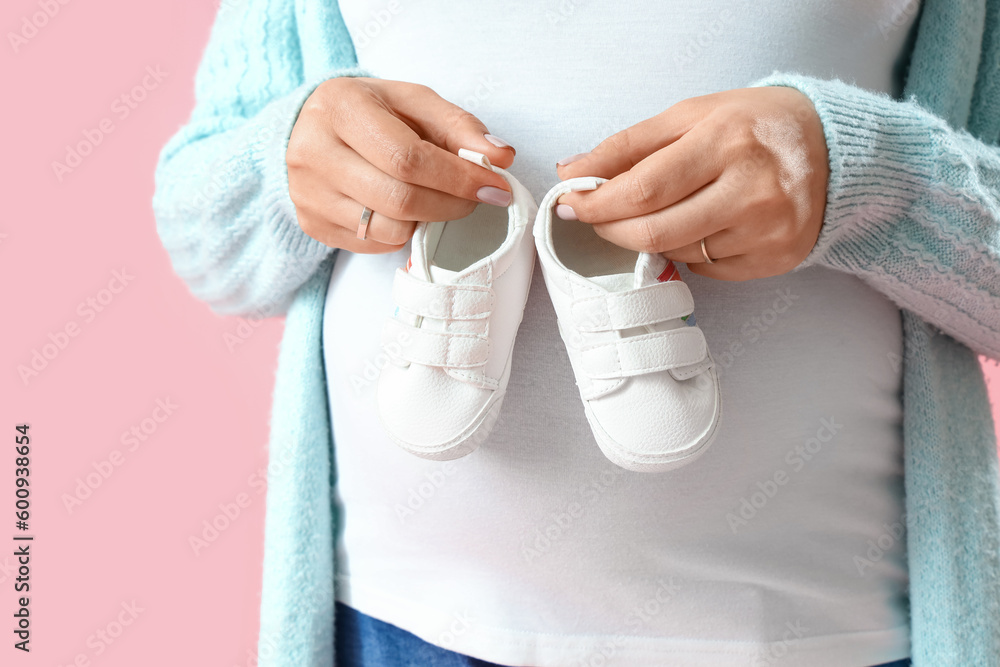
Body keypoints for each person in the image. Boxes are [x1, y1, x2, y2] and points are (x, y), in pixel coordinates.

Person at [152, 1, 1000, 665]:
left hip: (825, 634)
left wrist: (872, 177)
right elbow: (204, 238)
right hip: (393, 616)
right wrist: (280, 168)